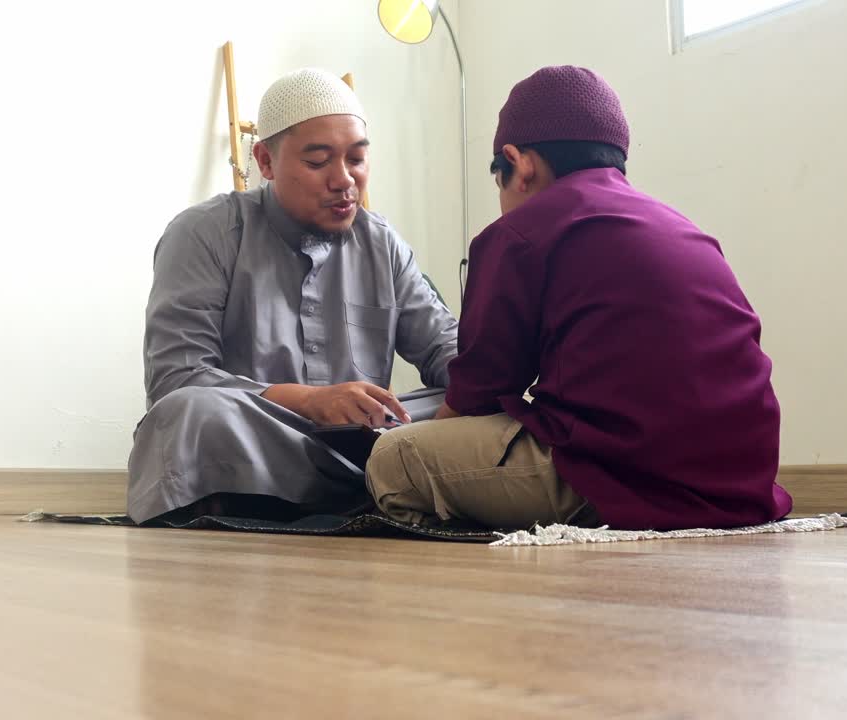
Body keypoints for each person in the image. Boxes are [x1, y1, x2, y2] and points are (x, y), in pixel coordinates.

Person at [364, 66, 793, 531]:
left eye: (498, 182)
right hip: (740, 483)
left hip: (618, 478)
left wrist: (421, 434)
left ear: (518, 163)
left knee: (392, 458)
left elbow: (478, 392)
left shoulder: (520, 232)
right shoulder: (680, 226)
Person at [128, 68, 459, 524]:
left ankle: (343, 488)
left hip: (366, 444)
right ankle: (375, 491)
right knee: (188, 412)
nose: (344, 180)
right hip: (262, 435)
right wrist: (309, 401)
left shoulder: (381, 244)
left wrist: (487, 390)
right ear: (265, 161)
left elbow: (447, 349)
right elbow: (177, 376)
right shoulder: (205, 233)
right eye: (319, 162)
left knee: (478, 400)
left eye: (357, 159)